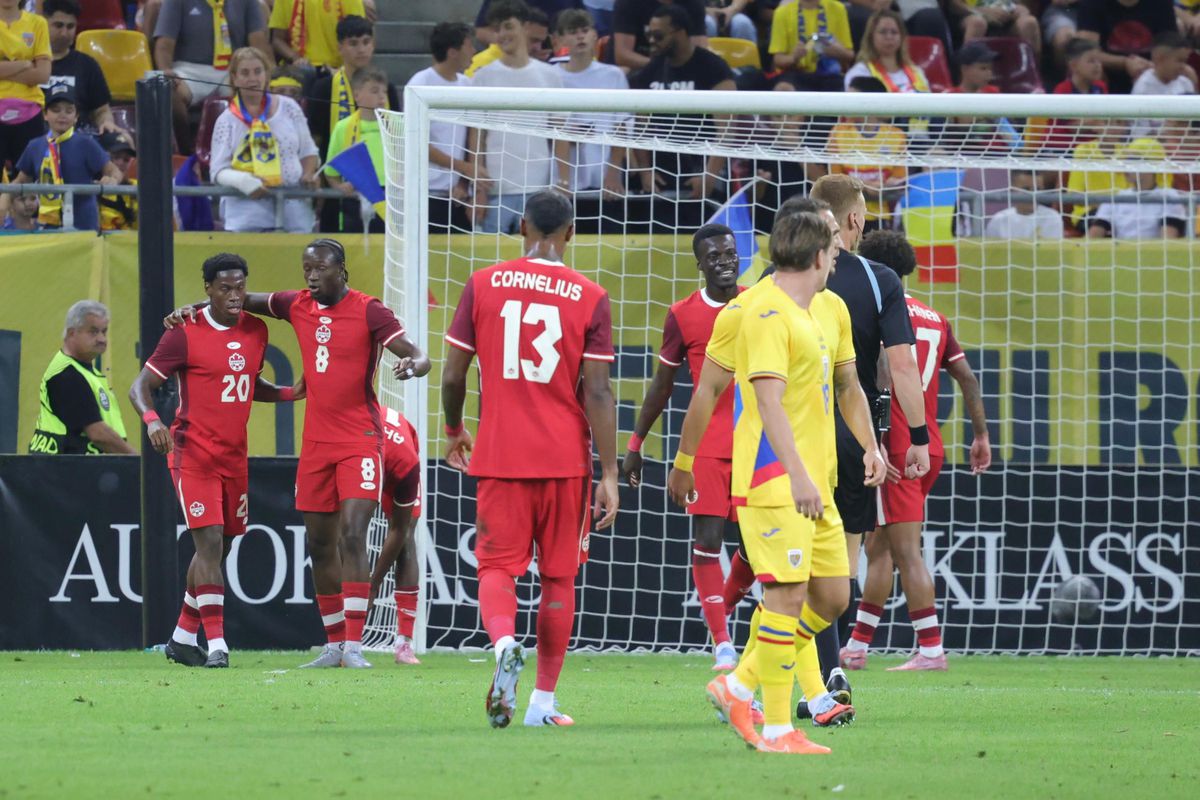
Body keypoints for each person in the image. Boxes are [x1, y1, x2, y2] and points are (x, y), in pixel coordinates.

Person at [166, 238, 432, 670]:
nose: (311, 276)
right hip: (316, 445)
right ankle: (333, 646)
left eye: (320, 268)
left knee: (352, 534)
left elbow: (416, 353)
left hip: (360, 438)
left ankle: (354, 646)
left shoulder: (370, 310)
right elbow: (236, 299)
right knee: (319, 544)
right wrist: (191, 310)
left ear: (341, 269)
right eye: (307, 268)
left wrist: (415, 364)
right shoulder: (296, 304)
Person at [701, 211, 883, 754]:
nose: (838, 255)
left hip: (817, 479)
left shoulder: (823, 311)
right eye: (834, 247)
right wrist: (796, 474)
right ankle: (779, 726)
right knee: (785, 596)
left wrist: (871, 446)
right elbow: (766, 402)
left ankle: (740, 684)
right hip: (776, 478)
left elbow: (848, 386)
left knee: (832, 595)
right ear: (818, 255)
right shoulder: (764, 311)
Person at [441, 190, 619, 728]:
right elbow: (599, 393)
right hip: (565, 461)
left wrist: (453, 429)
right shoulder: (591, 295)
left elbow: (453, 375)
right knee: (559, 579)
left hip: (500, 455)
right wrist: (610, 473)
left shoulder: (483, 284)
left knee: (497, 568)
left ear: (521, 227)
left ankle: (503, 647)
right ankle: (542, 703)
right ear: (571, 232)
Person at [129, 253, 300, 669]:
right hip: (192, 452)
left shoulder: (257, 330)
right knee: (208, 544)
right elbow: (140, 386)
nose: (235, 295)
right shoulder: (183, 332)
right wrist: (153, 421)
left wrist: (288, 393)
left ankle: (182, 639)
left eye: (240, 287)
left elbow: (245, 382)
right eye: (225, 288)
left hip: (233, 456)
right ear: (208, 289)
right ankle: (219, 645)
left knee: (222, 546)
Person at [843, 230, 991, 672]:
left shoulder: (880, 313)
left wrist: (879, 443)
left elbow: (884, 376)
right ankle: (857, 646)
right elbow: (967, 378)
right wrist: (980, 436)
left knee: (904, 551)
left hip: (898, 447)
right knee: (879, 546)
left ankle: (931, 648)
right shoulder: (935, 318)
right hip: (930, 446)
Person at [622, 223, 745, 670]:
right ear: (699, 265)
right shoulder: (683, 314)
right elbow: (662, 384)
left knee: (757, 547)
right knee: (708, 541)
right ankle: (723, 644)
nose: (724, 262)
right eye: (714, 257)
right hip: (706, 444)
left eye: (729, 254)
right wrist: (636, 443)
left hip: (758, 443)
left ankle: (721, 610)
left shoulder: (759, 304)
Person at [471, 0, 567, 235]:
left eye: (508, 26)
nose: (502, 34)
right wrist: (479, 190)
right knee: (493, 257)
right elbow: (477, 136)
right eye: (497, 29)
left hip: (539, 191)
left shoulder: (550, 76)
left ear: (525, 27)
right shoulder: (483, 77)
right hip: (495, 191)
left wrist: (563, 183)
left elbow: (560, 134)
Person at [627, 4, 735, 201]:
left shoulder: (714, 68)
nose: (651, 41)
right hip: (662, 176)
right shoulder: (651, 70)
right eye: (649, 35)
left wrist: (709, 176)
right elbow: (640, 128)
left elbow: (726, 131)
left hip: (702, 169)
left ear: (680, 33)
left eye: (658, 36)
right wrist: (645, 171)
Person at [210, 47, 320, 233]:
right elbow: (217, 171)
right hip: (247, 217)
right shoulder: (226, 120)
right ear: (234, 78)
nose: (252, 78)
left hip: (294, 214)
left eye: (257, 71)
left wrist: (309, 173)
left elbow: (308, 151)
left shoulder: (289, 107)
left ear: (267, 75)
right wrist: (244, 181)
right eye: (245, 73)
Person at [153, 0, 271, 154]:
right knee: (168, 90)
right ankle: (186, 152)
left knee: (255, 87)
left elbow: (258, 43)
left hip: (233, 68)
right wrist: (165, 70)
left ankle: (248, 150)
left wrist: (265, 75)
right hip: (189, 69)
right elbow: (164, 45)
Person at [406, 20, 482, 234]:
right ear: (453, 52)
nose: (474, 51)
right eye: (469, 45)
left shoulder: (467, 85)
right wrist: (462, 166)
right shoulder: (420, 84)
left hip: (458, 193)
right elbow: (416, 143)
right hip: (426, 193)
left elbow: (473, 136)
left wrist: (465, 182)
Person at [29, 300, 134, 455]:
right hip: (64, 466)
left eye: (104, 331)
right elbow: (98, 434)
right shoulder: (66, 375)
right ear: (72, 333)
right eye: (93, 332)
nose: (102, 339)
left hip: (72, 465)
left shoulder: (86, 373)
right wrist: (135, 460)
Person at [13, 83, 120, 231]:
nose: (62, 115)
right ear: (45, 114)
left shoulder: (86, 143)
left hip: (83, 227)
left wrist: (112, 179)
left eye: (69, 111)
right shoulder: (34, 146)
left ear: (76, 117)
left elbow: (114, 171)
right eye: (56, 110)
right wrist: (5, 198)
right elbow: (21, 180)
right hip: (46, 227)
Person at [367, 405, 424, 666]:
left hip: (399, 460)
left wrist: (373, 585)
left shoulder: (404, 461)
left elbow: (400, 530)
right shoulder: (347, 433)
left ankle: (404, 643)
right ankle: (345, 637)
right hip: (363, 456)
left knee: (406, 538)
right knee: (349, 530)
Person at [554, 8, 629, 196]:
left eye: (585, 30)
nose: (580, 36)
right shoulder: (552, 76)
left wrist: (613, 173)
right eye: (573, 32)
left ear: (595, 34)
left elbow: (622, 126)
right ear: (561, 39)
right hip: (563, 180)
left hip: (604, 177)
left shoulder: (613, 75)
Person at [307, 14, 401, 162]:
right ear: (340, 48)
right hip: (337, 171)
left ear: (373, 45)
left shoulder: (387, 89)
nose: (361, 49)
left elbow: (398, 137)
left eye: (366, 42)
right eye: (353, 43)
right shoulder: (324, 88)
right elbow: (315, 138)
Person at [828, 77, 907, 231]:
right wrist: (863, 186)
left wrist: (881, 188)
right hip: (846, 217)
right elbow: (834, 180)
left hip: (884, 216)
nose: (846, 104)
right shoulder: (837, 133)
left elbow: (899, 181)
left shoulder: (896, 136)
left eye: (852, 98)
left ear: (871, 101)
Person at [322, 66, 389, 233]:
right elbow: (330, 170)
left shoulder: (397, 125)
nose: (381, 96)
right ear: (357, 95)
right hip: (355, 199)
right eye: (375, 91)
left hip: (391, 198)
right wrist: (339, 187)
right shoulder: (343, 127)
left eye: (384, 91)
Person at [42, 0, 117, 135]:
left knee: (118, 140)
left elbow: (102, 110)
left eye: (70, 27)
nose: (64, 33)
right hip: (36, 135)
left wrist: (106, 122)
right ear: (43, 24)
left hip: (79, 134)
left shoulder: (88, 65)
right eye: (58, 26)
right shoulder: (29, 63)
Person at [1089, 138, 1188, 239]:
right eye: (1125, 160)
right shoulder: (1117, 197)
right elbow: (1094, 236)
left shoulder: (1169, 196)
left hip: (1155, 249)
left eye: (1133, 160)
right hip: (1122, 248)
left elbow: (1168, 240)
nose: (1126, 166)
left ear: (1152, 165)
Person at [1076, 0, 1177, 92]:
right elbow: (1085, 52)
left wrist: (1151, 67)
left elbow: (1171, 47)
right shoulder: (1092, 3)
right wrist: (1124, 63)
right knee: (1088, 68)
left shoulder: (1162, 3)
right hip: (1107, 74)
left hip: (1152, 73)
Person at [0, 0, 50, 177]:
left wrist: (4, 68)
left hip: (30, 112)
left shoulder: (38, 23)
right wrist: (24, 64)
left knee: (29, 183)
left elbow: (42, 75)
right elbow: (35, 71)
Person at [768, 0, 854, 92]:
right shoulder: (783, 12)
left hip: (830, 75)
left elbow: (850, 55)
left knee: (851, 89)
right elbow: (778, 60)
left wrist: (838, 51)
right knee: (783, 87)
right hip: (796, 73)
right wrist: (793, 57)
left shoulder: (837, 9)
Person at [843, 9, 931, 93]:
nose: (889, 37)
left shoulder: (916, 72)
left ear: (902, 37)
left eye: (894, 32)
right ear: (871, 37)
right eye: (883, 32)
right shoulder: (860, 73)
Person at [1130, 31, 1196, 140]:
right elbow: (1140, 136)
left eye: (1185, 61)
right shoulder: (1142, 90)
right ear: (1159, 58)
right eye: (1180, 61)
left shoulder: (1186, 83)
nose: (1183, 66)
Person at [269, 0, 367, 71]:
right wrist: (295, 58)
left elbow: (361, 36)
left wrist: (344, 69)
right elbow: (277, 39)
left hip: (340, 69)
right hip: (300, 69)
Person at [612, 0, 707, 71]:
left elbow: (699, 53)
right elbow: (622, 56)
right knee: (624, 71)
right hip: (638, 67)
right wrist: (662, 67)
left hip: (678, 69)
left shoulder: (693, 4)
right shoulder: (628, 2)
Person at [467, 4, 552, 76]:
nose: (538, 48)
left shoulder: (547, 73)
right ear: (522, 29)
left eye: (541, 42)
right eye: (533, 40)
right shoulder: (481, 68)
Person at [947, 0, 1041, 61]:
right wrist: (981, 11)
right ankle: (968, 79)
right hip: (969, 15)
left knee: (1029, 22)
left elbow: (1019, 3)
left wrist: (1019, 8)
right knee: (977, 23)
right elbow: (953, 4)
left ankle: (1031, 76)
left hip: (1005, 16)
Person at [983, 170, 1064, 239]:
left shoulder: (1052, 218)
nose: (1032, 194)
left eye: (1037, 189)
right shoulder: (999, 220)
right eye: (1026, 189)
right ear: (1012, 190)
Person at [97, 131, 137, 231]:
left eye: (126, 159)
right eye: (116, 157)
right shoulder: (92, 189)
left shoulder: (136, 188)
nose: (121, 163)